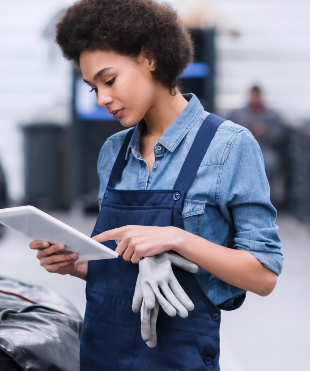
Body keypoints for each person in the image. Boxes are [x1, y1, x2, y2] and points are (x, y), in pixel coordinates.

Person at [29, 1, 283, 370]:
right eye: (92, 88)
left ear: (149, 58)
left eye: (109, 80)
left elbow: (263, 275)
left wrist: (177, 238)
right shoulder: (113, 152)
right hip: (101, 354)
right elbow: (125, 267)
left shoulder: (229, 145)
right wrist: (77, 265)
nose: (102, 99)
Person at [228, 86, 286, 204]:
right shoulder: (237, 114)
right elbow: (227, 130)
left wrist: (266, 132)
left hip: (264, 148)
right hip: (242, 148)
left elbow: (280, 135)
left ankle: (265, 199)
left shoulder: (271, 114)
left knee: (269, 163)